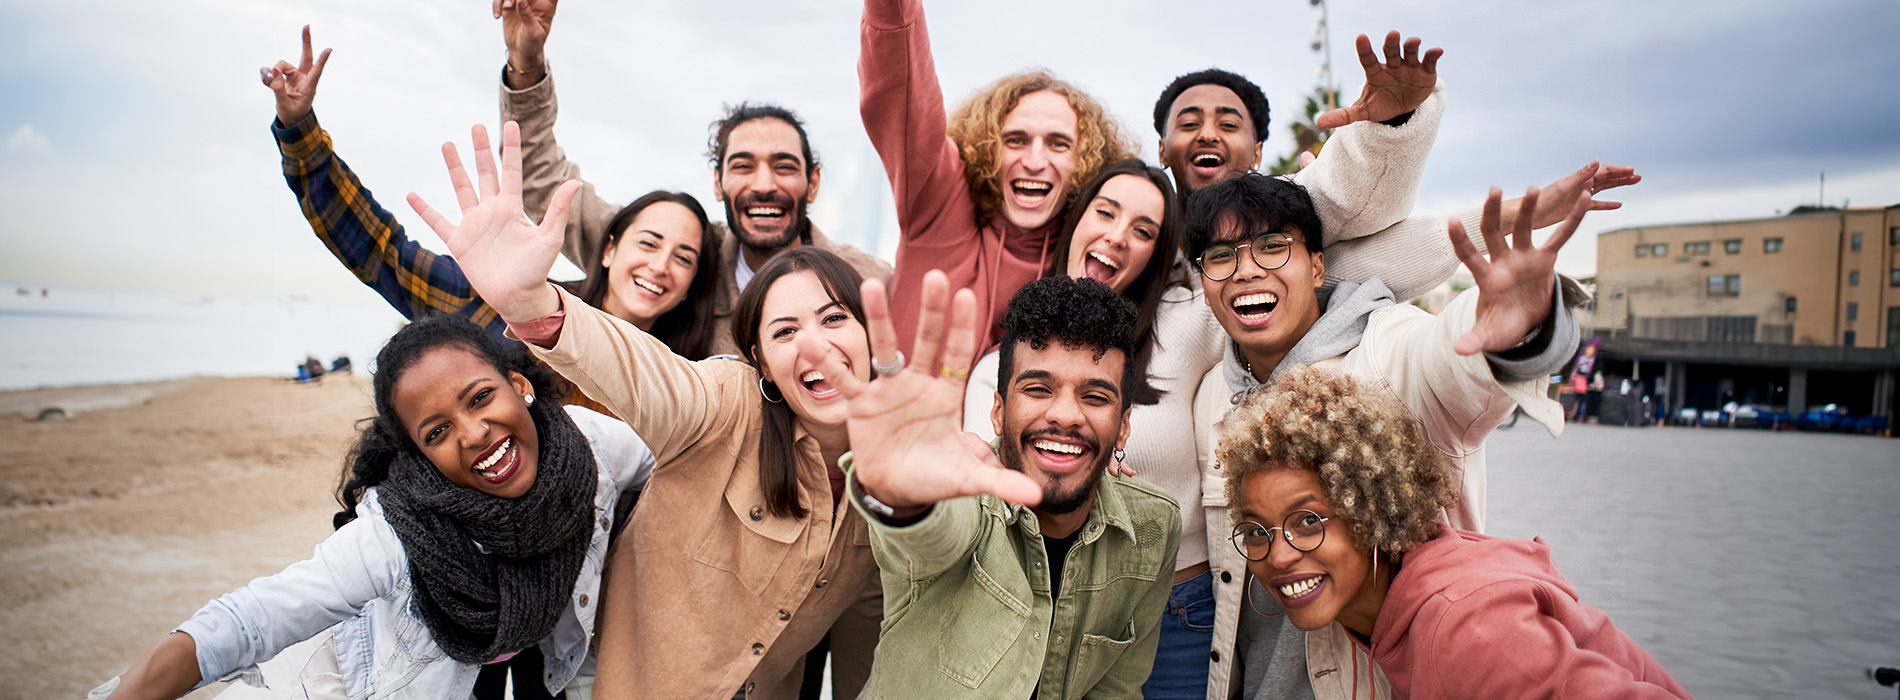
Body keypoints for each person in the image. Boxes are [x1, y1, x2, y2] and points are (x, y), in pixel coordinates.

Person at [406, 121, 881, 700]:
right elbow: (640, 370)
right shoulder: (724, 404)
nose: (815, 346)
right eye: (785, 331)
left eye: (835, 319)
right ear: (757, 357)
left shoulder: (891, 483)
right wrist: (534, 304)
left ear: (873, 332)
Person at [91, 314, 656, 700]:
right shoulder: (399, 532)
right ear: (418, 453)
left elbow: (687, 460)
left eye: (481, 397)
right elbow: (255, 616)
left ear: (519, 385)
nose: (475, 433)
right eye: (437, 431)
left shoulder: (593, 447)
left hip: (533, 662)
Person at [1187, 173, 1587, 699]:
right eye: (1221, 257)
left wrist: (1516, 324)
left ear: (1317, 266)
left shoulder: (1388, 350)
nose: (1247, 270)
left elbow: (1453, 356)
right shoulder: (1211, 396)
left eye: (1271, 247)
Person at [1219, 366, 1691, 699]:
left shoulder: (1464, 627)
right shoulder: (1401, 606)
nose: (1277, 557)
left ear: (1372, 509)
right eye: (1257, 530)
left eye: (1308, 522)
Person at [261, 26, 725, 361]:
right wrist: (301, 131)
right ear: (608, 250)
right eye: (648, 242)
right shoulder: (510, 300)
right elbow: (384, 254)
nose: (660, 266)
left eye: (684, 257)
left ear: (691, 288)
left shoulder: (686, 376)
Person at [815, 273, 1179, 699]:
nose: (1065, 415)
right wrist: (903, 496)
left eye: (1095, 397)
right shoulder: (961, 494)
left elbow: (1116, 690)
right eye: (1038, 389)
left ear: (1123, 427)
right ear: (997, 411)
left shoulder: (1155, 528)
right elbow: (931, 534)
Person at [495, 0, 892, 360]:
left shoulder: (868, 282)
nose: (764, 184)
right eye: (742, 166)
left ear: (814, 182)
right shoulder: (686, 254)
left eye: (785, 166)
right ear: (718, 183)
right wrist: (526, 62)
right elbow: (544, 182)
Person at [1152, 59, 1642, 305]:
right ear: (1161, 148)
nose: (1208, 134)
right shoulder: (1137, 235)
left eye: (1229, 124)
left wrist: (1391, 127)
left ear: (1259, 151)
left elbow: (1347, 195)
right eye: (1190, 123)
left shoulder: (1291, 218)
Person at [859, 0, 1139, 354]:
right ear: (987, 148)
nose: (1035, 161)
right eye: (1016, 141)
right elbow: (901, 97)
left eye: (1058, 144)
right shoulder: (938, 211)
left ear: (1086, 161)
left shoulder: (1090, 256)